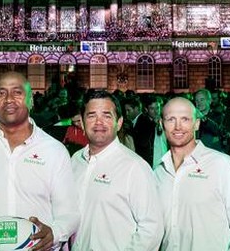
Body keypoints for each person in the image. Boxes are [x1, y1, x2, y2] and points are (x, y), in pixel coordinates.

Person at [0, 71, 79, 251]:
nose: (9, 99)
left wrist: (54, 234)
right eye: (1, 93)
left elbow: (69, 213)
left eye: (17, 92)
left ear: (31, 100)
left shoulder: (54, 151)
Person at [155, 97, 230, 251]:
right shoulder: (158, 173)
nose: (178, 126)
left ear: (197, 123)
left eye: (185, 119)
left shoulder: (220, 164)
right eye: (171, 119)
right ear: (161, 124)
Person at [70, 89, 164, 250]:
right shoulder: (76, 160)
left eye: (106, 116)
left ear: (119, 123)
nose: (98, 122)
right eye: (91, 116)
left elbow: (152, 228)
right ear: (83, 123)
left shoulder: (135, 167)